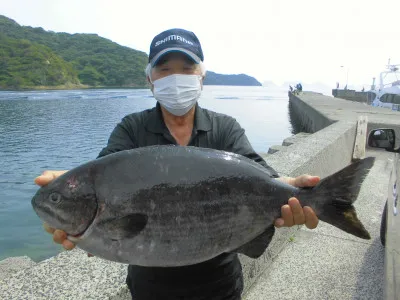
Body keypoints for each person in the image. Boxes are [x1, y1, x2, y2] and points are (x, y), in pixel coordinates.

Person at [35, 28, 320, 300]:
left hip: (220, 285)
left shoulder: (224, 128)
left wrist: (293, 189)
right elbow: (104, 178)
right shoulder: (132, 129)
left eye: (186, 69)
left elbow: (263, 179)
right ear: (150, 79)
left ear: (201, 76)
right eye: (165, 69)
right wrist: (70, 192)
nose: (176, 78)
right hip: (149, 289)